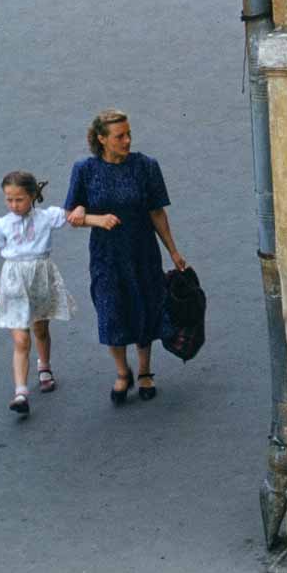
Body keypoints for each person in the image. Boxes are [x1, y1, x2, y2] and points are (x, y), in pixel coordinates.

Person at [66, 109, 187, 405]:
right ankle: (123, 372)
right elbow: (72, 214)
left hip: (142, 251)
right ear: (101, 139)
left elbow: (156, 212)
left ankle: (145, 371)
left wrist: (173, 250)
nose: (127, 141)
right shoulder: (85, 170)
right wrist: (92, 217)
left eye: (129, 134)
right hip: (106, 255)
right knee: (111, 311)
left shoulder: (146, 166)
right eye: (119, 136)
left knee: (144, 307)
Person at [0, 171, 117, 414]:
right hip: (14, 284)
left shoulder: (46, 217)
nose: (13, 205)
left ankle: (44, 366)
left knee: (41, 329)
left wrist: (99, 219)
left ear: (32, 196)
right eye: (9, 199)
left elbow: (74, 219)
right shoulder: (1, 224)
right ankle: (21, 392)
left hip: (40, 280)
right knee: (21, 339)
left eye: (19, 199)